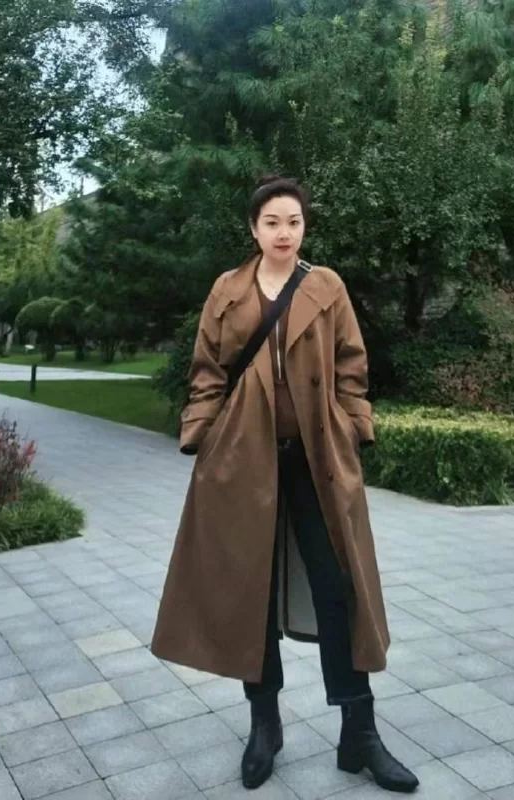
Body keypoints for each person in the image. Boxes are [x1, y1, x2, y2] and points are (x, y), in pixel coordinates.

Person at [150, 176, 419, 793]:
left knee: (337, 587)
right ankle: (264, 726)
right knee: (253, 592)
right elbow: (207, 371)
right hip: (243, 462)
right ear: (254, 228)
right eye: (272, 222)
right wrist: (203, 436)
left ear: (304, 227)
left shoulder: (326, 286)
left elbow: (351, 365)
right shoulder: (228, 290)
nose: (283, 232)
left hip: (316, 461)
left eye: (293, 222)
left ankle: (360, 732)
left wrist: (351, 426)